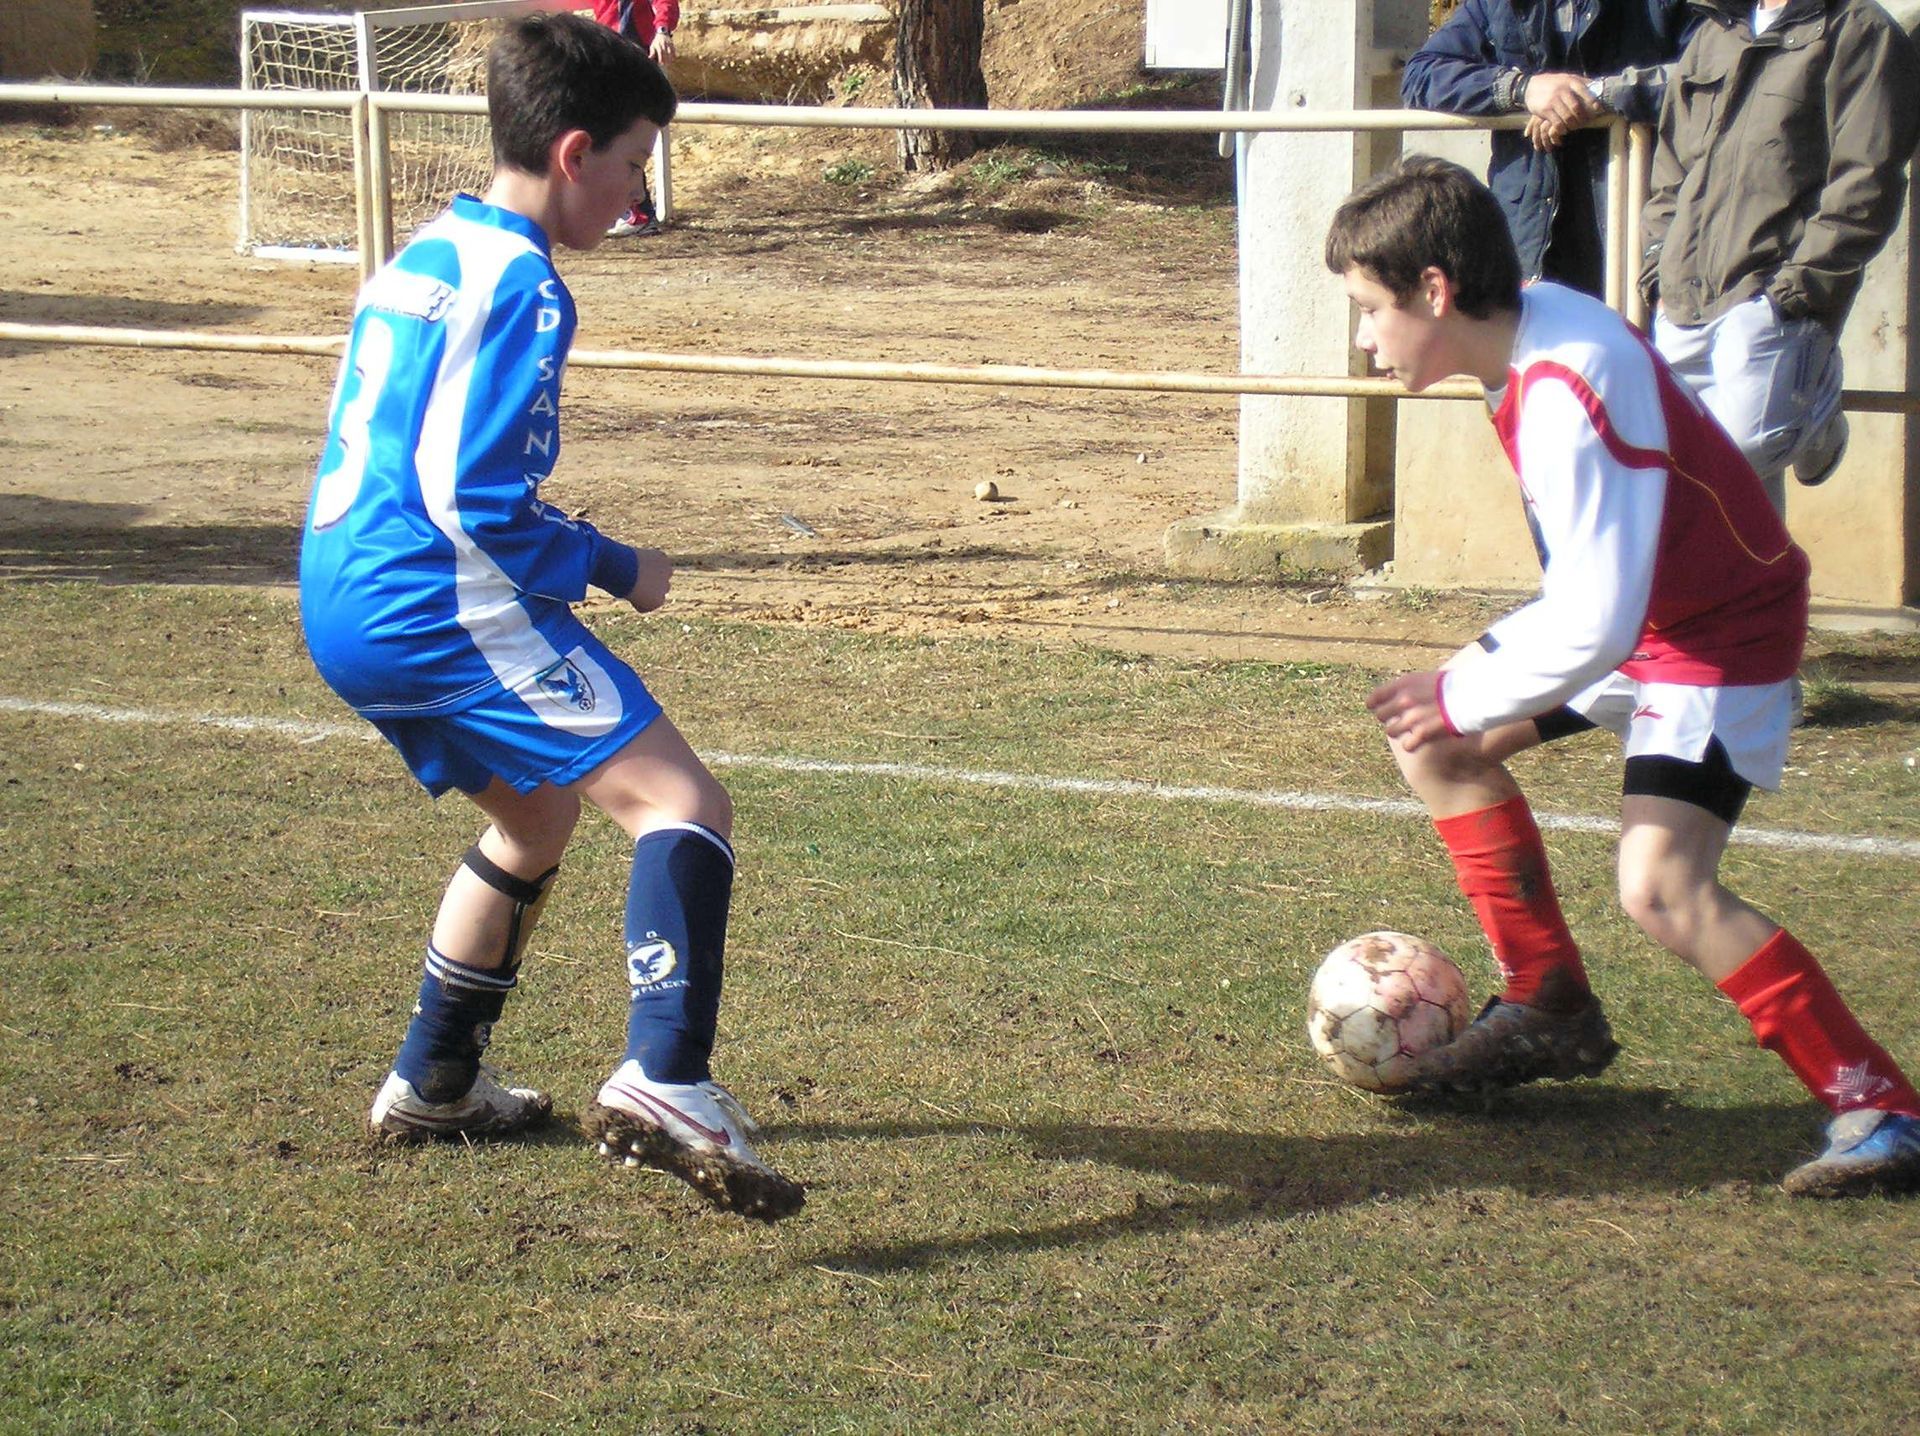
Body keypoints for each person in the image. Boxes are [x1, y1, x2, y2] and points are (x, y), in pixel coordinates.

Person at [1324, 155, 1920, 1198]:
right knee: (1438, 745)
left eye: (1372, 309)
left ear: (1435, 291)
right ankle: (1548, 997)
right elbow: (1605, 605)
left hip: (1717, 630)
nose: (1363, 337)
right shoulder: (1532, 325)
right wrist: (1458, 703)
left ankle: (1883, 1107)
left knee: (1662, 887)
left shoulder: (1565, 395)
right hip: (1651, 615)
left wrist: (1460, 684)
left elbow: (1595, 618)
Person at [298, 12, 803, 1222]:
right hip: (434, 596)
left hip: (341, 589)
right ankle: (667, 1075)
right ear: (575, 153)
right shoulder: (528, 284)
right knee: (682, 802)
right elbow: (472, 498)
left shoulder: (426, 251)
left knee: (533, 818)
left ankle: (434, 1081)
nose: (635, 194)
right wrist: (616, 562)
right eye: (633, 164)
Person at [1640, 0, 1920, 515]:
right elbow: (1670, 166)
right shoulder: (1713, 31)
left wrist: (1795, 291)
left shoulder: (1857, 30)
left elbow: (1868, 180)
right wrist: (1659, 264)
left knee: (1744, 446)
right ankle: (1757, 592)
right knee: (1694, 471)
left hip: (1773, 293)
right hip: (1683, 293)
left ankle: (1811, 398)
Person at [1401, 0, 1694, 298]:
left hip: (1643, 225)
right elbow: (1421, 75)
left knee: (1634, 339)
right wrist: (1521, 89)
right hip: (1530, 237)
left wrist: (1599, 95)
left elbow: (1716, 69)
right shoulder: (1494, 5)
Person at [592, 0, 679, 236]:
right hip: (607, 52)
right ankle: (631, 211)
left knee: (623, 134)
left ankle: (638, 214)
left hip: (632, 53)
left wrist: (662, 31)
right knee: (609, 134)